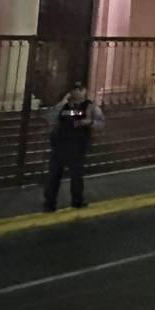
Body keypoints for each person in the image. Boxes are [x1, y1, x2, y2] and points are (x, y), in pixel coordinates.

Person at [43, 81, 104, 212]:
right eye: (75, 89)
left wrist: (89, 122)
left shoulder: (90, 107)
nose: (78, 92)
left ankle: (77, 201)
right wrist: (62, 103)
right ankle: (49, 204)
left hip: (77, 146)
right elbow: (49, 118)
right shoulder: (63, 106)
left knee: (76, 176)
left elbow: (101, 123)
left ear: (85, 91)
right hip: (60, 146)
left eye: (80, 89)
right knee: (54, 176)